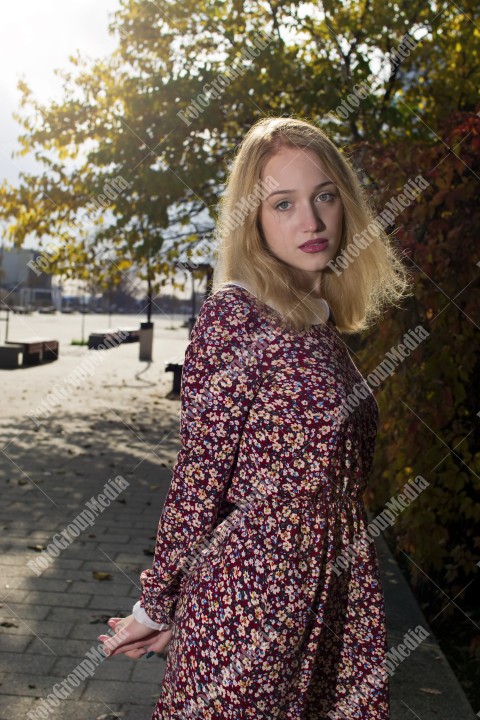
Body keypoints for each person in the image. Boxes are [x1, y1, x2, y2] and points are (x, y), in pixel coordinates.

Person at [99, 116, 411, 719]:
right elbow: (199, 478)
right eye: (283, 204)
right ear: (255, 219)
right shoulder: (236, 314)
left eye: (324, 196)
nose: (311, 221)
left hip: (333, 595)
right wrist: (160, 605)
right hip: (253, 597)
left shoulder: (322, 325)